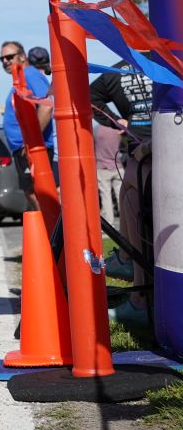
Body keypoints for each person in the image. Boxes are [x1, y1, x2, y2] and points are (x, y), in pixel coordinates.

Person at [89, 60, 154, 331]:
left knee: (131, 195)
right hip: (144, 149)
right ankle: (133, 275)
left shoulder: (118, 69)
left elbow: (89, 96)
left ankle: (139, 292)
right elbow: (90, 96)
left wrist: (116, 121)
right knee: (129, 194)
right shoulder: (165, 57)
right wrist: (115, 121)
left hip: (153, 150)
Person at [0, 40, 55, 204]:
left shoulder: (30, 74)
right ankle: (47, 221)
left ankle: (50, 222)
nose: (5, 61)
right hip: (23, 148)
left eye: (9, 57)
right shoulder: (21, 79)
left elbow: (46, 105)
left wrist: (31, 140)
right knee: (31, 191)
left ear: (23, 56)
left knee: (38, 192)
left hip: (33, 147)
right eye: (2, 59)